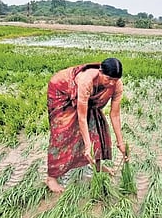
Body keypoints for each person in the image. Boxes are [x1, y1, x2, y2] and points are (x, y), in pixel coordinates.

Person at [46, 58, 127, 192]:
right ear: (100, 72)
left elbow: (115, 114)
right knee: (62, 132)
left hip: (84, 96)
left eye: (115, 80)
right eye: (108, 79)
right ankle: (51, 177)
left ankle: (98, 165)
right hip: (61, 91)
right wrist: (87, 145)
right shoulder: (86, 80)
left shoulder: (116, 85)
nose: (112, 83)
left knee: (97, 125)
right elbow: (82, 117)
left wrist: (121, 142)